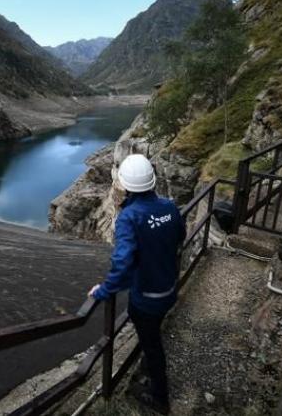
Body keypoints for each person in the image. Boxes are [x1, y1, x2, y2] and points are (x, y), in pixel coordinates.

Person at [88, 154, 186, 415]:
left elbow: (122, 263)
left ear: (126, 185)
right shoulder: (169, 206)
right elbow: (180, 237)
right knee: (150, 332)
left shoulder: (129, 217)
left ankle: (160, 398)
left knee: (152, 345)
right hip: (169, 289)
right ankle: (147, 363)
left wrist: (103, 290)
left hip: (147, 298)